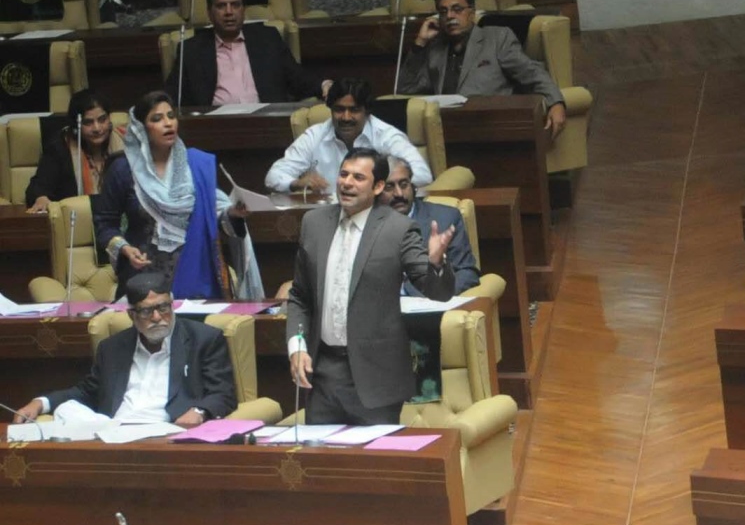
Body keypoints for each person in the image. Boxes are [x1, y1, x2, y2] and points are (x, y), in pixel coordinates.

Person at [286, 147, 457, 424]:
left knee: (375, 467)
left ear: (378, 186)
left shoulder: (398, 228)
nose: (347, 183)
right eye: (343, 174)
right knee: (322, 464)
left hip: (376, 379)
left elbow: (437, 292)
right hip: (323, 374)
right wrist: (297, 346)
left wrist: (436, 264)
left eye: (358, 177)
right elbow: (300, 297)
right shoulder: (314, 223)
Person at [93, 93, 258, 301]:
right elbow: (104, 224)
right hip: (144, 280)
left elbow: (212, 216)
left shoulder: (196, 165)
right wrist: (124, 248)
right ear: (141, 128)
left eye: (171, 116)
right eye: (157, 119)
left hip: (195, 275)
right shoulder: (123, 170)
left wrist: (233, 213)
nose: (168, 123)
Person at [10, 274, 234, 427]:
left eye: (163, 308)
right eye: (146, 312)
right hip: (114, 428)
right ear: (131, 315)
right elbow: (87, 391)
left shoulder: (203, 339)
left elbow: (223, 393)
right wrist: (40, 402)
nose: (157, 318)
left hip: (166, 429)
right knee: (67, 410)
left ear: (172, 305)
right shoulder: (113, 347)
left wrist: (198, 412)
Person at [395, 0, 565, 137]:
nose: (450, 16)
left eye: (457, 9)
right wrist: (420, 43)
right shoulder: (436, 48)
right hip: (447, 128)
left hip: (491, 125)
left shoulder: (496, 38)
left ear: (472, 13)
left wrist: (555, 102)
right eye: (443, 11)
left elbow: (531, 73)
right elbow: (406, 88)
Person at [164, 0, 330, 108]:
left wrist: (324, 85)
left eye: (235, 5)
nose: (229, 12)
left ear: (243, 10)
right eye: (221, 6)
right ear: (210, 12)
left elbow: (297, 78)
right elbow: (171, 94)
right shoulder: (192, 49)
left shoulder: (267, 39)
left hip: (267, 123)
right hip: (214, 128)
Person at [263, 77, 433, 195]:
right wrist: (295, 183)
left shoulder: (386, 136)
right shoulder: (314, 135)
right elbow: (273, 177)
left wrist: (377, 187)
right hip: (328, 216)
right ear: (330, 109)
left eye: (354, 110)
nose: (345, 117)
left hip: (376, 212)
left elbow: (422, 174)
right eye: (339, 110)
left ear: (367, 111)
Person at [380, 158, 479, 294]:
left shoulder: (445, 218)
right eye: (389, 187)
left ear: (413, 186)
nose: (399, 194)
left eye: (404, 185)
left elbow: (467, 273)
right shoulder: (364, 223)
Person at [25, 89, 119, 212]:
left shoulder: (127, 143)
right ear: (75, 126)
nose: (97, 128)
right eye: (88, 122)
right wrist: (41, 198)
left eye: (102, 120)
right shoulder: (59, 149)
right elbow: (37, 188)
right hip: (78, 221)